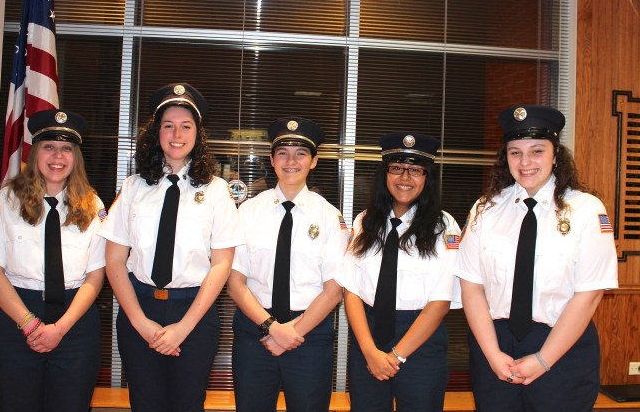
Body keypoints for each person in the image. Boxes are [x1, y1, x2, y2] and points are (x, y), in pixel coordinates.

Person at [456, 105, 618, 412]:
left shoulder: (585, 210)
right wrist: (492, 354)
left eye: (537, 151)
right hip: (495, 345)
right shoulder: (485, 209)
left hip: (562, 348)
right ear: (505, 157)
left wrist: (543, 360)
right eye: (515, 152)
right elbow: (471, 286)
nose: (525, 162)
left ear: (556, 155)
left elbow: (589, 294)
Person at [99, 83, 242, 412]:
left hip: (195, 312)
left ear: (198, 133)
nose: (177, 134)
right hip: (140, 308)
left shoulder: (218, 191)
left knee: (187, 404)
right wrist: (139, 321)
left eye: (186, 126)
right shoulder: (133, 187)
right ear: (156, 132)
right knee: (144, 403)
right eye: (168, 125)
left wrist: (183, 328)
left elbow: (222, 263)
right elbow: (115, 260)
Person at [0, 109, 106, 412]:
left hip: (75, 324)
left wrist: (60, 328)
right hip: (17, 318)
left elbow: (95, 278)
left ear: (75, 156)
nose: (58, 156)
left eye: (66, 148)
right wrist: (29, 324)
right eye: (49, 147)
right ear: (35, 153)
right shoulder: (7, 200)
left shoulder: (93, 205)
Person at [227, 117, 349, 412]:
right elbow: (234, 282)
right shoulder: (247, 212)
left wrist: (292, 331)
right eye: (282, 152)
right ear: (271, 159)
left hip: (309, 335)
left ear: (314, 161)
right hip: (254, 332)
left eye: (301, 153)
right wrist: (272, 327)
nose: (291, 161)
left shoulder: (331, 218)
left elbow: (333, 290)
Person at [336, 132, 461, 412]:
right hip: (367, 338)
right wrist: (369, 351)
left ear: (428, 178)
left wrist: (396, 356)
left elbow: (440, 302)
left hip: (419, 344)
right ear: (385, 174)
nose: (405, 177)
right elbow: (352, 290)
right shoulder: (365, 221)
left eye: (415, 169)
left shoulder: (445, 227)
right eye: (396, 168)